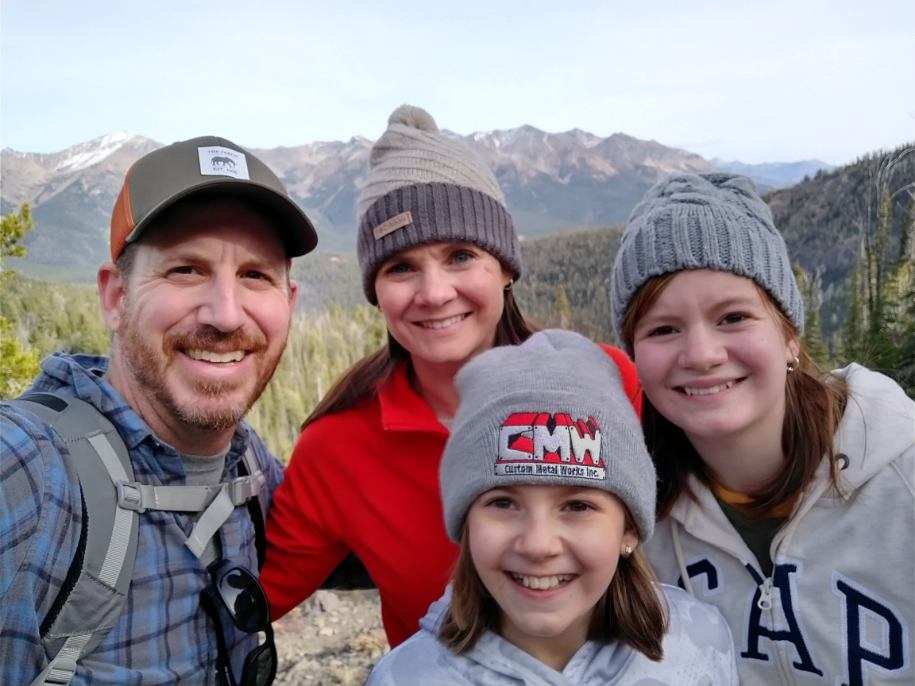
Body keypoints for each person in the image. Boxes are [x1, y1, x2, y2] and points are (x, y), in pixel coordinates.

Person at [260, 105, 642, 648]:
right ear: (375, 290)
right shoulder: (339, 448)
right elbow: (253, 599)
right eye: (401, 267)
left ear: (506, 267)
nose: (434, 292)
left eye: (460, 256)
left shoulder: (607, 385)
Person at [1, 136, 317, 685]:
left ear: (288, 304)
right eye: (184, 270)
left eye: (255, 275)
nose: (224, 314)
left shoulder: (248, 465)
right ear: (116, 297)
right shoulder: (32, 470)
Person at [610, 172, 915, 685]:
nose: (702, 355)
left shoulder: (902, 478)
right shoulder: (635, 522)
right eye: (663, 329)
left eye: (732, 317)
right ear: (634, 354)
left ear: (789, 335)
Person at [367, 329, 738, 684]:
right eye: (502, 503)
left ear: (628, 528)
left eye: (577, 506)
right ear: (466, 522)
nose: (538, 544)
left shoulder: (698, 644)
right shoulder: (405, 677)